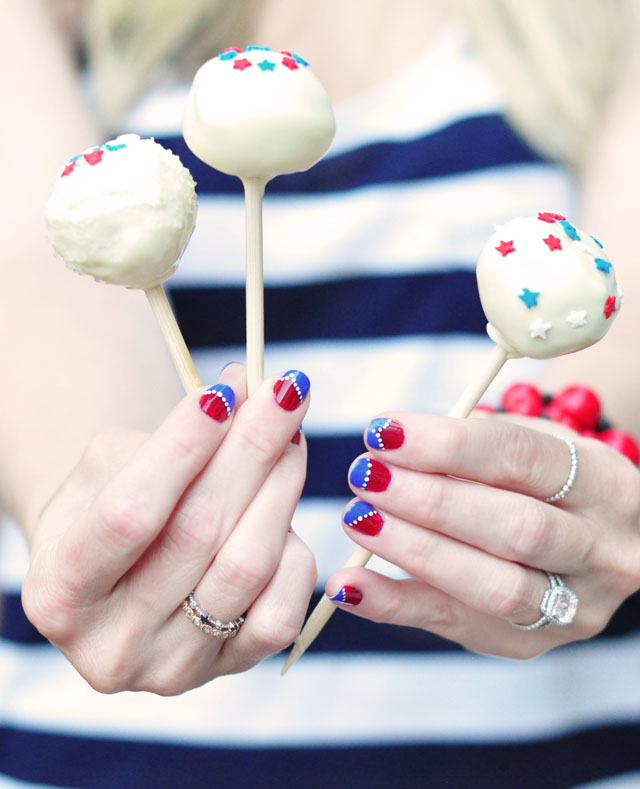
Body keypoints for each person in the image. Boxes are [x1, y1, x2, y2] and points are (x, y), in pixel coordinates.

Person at [1, 0, 639, 786]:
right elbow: (35, 278)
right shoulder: (42, 22)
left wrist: (572, 508)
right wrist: (109, 531)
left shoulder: (603, 29)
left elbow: (603, 372)